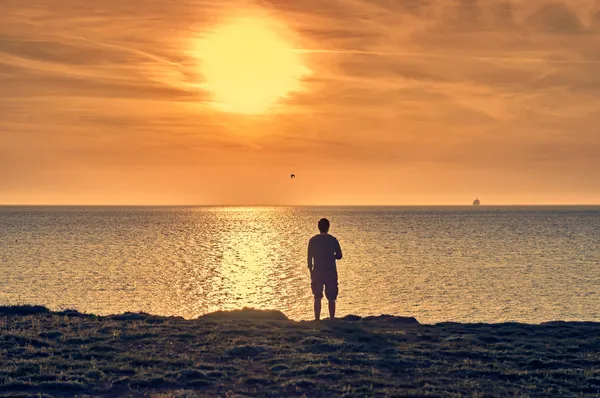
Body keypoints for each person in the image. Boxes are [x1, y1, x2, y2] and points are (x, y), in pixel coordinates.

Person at [307, 218, 342, 320]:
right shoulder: (333, 240)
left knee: (317, 297)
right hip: (330, 271)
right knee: (331, 297)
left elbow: (309, 259)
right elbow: (339, 255)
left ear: (318, 227)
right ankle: (332, 318)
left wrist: (311, 273)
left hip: (317, 272)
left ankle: (317, 319)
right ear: (328, 227)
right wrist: (331, 256)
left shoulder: (313, 241)